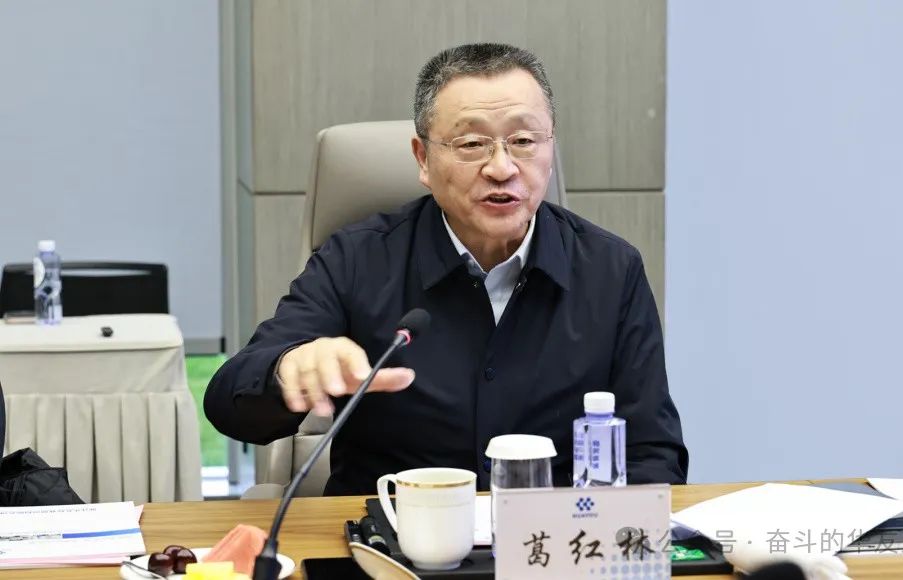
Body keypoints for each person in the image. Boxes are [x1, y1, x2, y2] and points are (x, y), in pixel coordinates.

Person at [205, 43, 688, 496]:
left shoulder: (611, 270)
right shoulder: (357, 261)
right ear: (423, 159)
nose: (502, 168)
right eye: (472, 143)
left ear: (550, 150)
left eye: (523, 140)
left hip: (550, 539)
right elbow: (229, 402)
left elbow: (653, 453)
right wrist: (286, 369)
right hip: (391, 538)